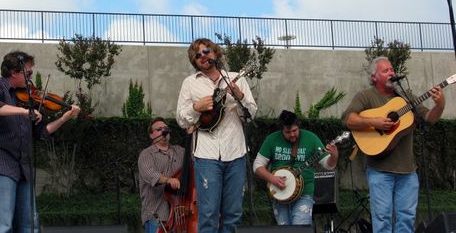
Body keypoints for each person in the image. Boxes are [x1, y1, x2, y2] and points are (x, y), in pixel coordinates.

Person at [0, 50, 80, 233]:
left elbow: (41, 132)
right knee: (3, 226)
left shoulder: (25, 100)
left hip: (22, 168)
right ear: (14, 73)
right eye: (29, 73)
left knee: (29, 225)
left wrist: (64, 118)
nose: (31, 78)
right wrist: (25, 112)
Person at [342, 56, 445, 233]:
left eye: (392, 70)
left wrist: (440, 105)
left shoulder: (406, 97)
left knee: (406, 219)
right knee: (382, 220)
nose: (391, 73)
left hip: (408, 171)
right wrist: (375, 122)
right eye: (386, 71)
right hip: (380, 171)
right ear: (374, 77)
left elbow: (429, 118)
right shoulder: (366, 96)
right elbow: (347, 119)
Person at [176, 38, 257, 233]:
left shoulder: (237, 78)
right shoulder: (190, 83)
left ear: (215, 53)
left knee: (233, 214)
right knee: (208, 213)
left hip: (236, 153)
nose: (202, 56)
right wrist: (196, 107)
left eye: (206, 51)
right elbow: (181, 118)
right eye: (197, 55)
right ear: (194, 62)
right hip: (206, 155)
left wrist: (239, 97)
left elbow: (251, 113)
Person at [253, 110, 338, 225]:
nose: (292, 134)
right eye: (288, 132)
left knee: (300, 226)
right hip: (279, 194)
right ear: (281, 130)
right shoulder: (272, 139)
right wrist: (272, 179)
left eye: (294, 130)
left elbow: (328, 165)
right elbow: (257, 165)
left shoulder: (311, 138)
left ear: (298, 126)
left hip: (304, 193)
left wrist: (334, 156)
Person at [138, 117, 184, 233]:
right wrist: (169, 180)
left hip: (180, 215)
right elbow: (150, 174)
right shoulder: (146, 154)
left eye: (166, 128)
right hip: (157, 214)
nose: (164, 131)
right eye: (159, 129)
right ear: (151, 135)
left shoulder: (180, 151)